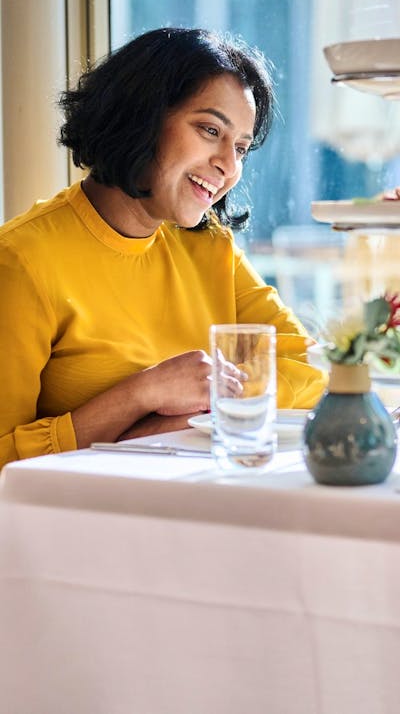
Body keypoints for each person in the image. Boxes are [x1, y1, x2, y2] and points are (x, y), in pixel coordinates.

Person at [0, 27, 326, 469]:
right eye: (211, 130)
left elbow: (304, 363)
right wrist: (138, 399)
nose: (229, 167)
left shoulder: (210, 247)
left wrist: (193, 412)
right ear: (141, 116)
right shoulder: (21, 260)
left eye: (242, 148)